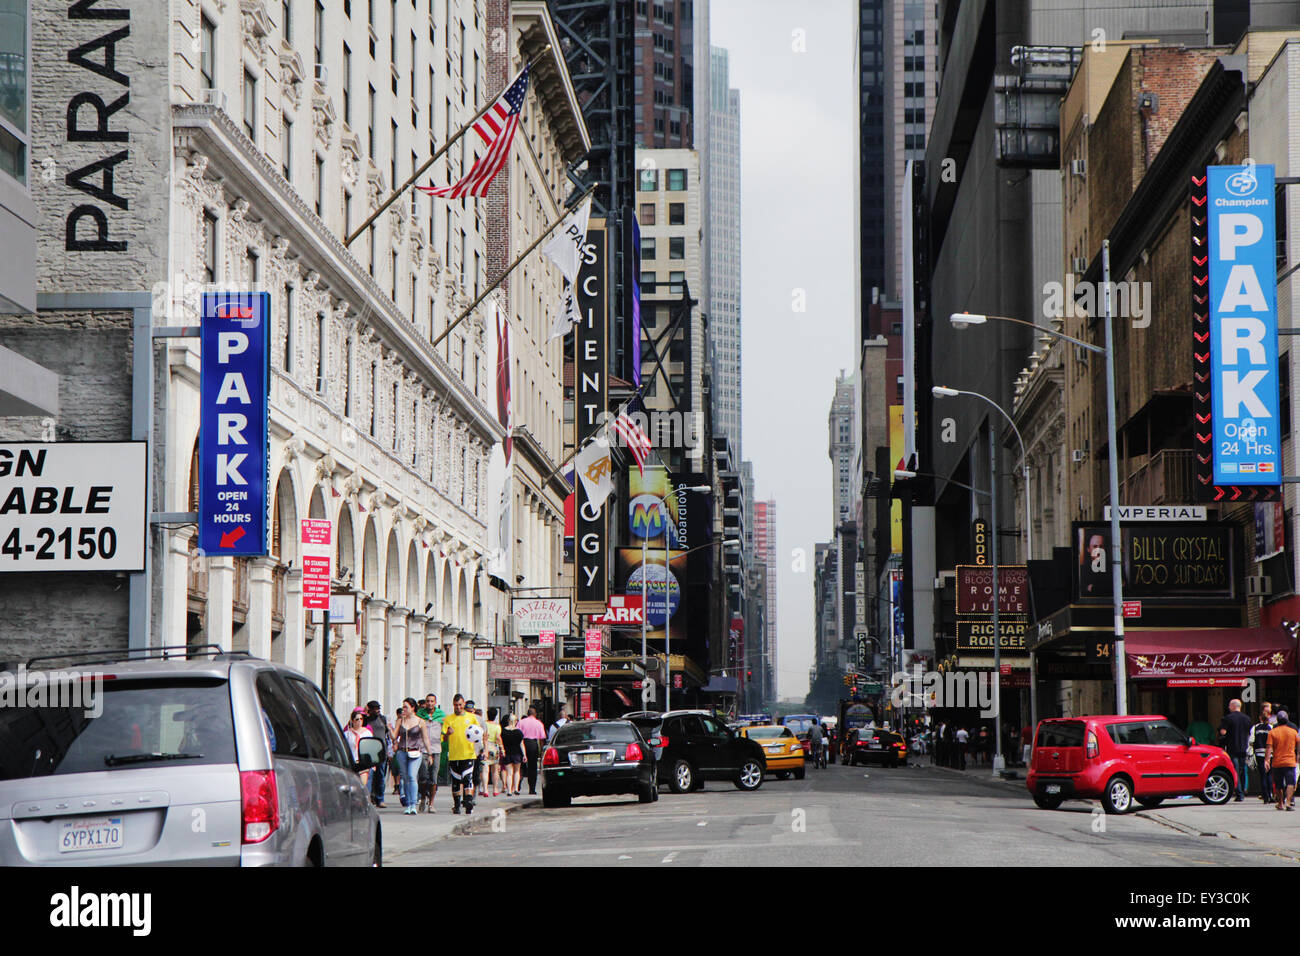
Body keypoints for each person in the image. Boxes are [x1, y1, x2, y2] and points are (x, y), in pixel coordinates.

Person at [390, 698, 434, 816]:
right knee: (404, 777)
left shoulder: (420, 722)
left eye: (406, 707)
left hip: (415, 752)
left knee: (412, 776)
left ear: (413, 708)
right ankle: (408, 804)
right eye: (403, 707)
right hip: (402, 752)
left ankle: (413, 804)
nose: (404, 709)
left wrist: (430, 753)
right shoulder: (400, 721)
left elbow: (425, 738)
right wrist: (389, 727)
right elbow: (394, 737)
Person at [442, 694, 481, 815]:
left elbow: (478, 733)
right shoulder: (449, 719)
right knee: (456, 781)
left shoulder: (472, 717)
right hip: (454, 755)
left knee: (467, 778)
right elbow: (443, 738)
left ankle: (468, 801)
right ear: (453, 705)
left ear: (464, 704)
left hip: (468, 754)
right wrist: (448, 734)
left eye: (460, 705)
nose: (458, 707)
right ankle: (457, 804)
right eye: (456, 705)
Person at [1217, 698, 1253, 801]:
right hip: (1243, 748)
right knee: (1242, 770)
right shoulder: (1247, 718)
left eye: (1229, 705)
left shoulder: (1227, 718)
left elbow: (1223, 732)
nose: (1228, 707)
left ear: (1233, 706)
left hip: (1232, 748)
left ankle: (1239, 793)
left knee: (1235, 771)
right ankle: (1243, 791)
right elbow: (1250, 732)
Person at [1265, 711, 1299, 811]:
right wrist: (1298, 755)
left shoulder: (1272, 732)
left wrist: (1266, 760)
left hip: (1277, 762)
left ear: (1278, 720)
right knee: (1290, 783)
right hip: (1290, 761)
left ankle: (1280, 803)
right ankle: (1288, 803)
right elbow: (1298, 744)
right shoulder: (1293, 732)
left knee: (1279, 784)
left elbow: (1268, 747)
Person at [417, 693, 445, 813]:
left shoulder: (441, 715)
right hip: (422, 749)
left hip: (436, 749)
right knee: (423, 777)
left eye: (432, 701)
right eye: (428, 701)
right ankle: (423, 797)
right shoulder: (420, 714)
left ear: (435, 702)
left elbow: (445, 729)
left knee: (433, 778)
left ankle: (431, 804)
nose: (429, 703)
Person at [363, 700, 391, 808]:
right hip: (369, 751)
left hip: (381, 751)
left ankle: (380, 799)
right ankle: (369, 797)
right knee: (369, 776)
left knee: (381, 776)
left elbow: (388, 734)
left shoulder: (382, 719)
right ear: (369, 709)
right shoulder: (365, 720)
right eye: (374, 708)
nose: (377, 710)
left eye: (378, 708)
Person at [344, 707, 374, 789]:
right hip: (352, 763)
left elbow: (371, 748)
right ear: (352, 721)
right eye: (357, 719)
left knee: (362, 786)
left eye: (361, 719)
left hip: (363, 763)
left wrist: (373, 763)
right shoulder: (347, 734)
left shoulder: (367, 733)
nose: (360, 721)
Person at [520, 706, 547, 794]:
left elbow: (517, 733)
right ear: (535, 714)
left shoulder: (521, 722)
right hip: (533, 744)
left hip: (523, 743)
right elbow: (542, 738)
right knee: (533, 767)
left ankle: (517, 786)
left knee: (521, 766)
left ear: (527, 714)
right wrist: (542, 751)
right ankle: (532, 788)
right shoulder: (539, 723)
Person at [1252, 709, 1275, 804]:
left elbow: (1251, 740)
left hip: (1259, 753)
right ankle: (1271, 795)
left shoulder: (1255, 727)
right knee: (1269, 774)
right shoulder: (1271, 727)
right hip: (1270, 753)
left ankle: (1265, 797)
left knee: (1262, 775)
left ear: (1260, 718)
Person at [500, 713, 525, 796]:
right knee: (517, 771)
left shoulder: (503, 731)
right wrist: (524, 755)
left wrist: (502, 751)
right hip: (517, 753)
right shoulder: (518, 732)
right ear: (516, 721)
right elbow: (521, 744)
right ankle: (516, 789)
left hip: (507, 753)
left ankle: (509, 791)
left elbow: (501, 743)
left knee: (509, 773)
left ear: (508, 721)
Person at [482, 707, 503, 797]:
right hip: (494, 747)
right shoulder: (497, 726)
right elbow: (498, 738)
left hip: (485, 746)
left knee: (485, 770)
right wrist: (502, 748)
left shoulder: (484, 724)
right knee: (495, 770)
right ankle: (495, 789)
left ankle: (485, 789)